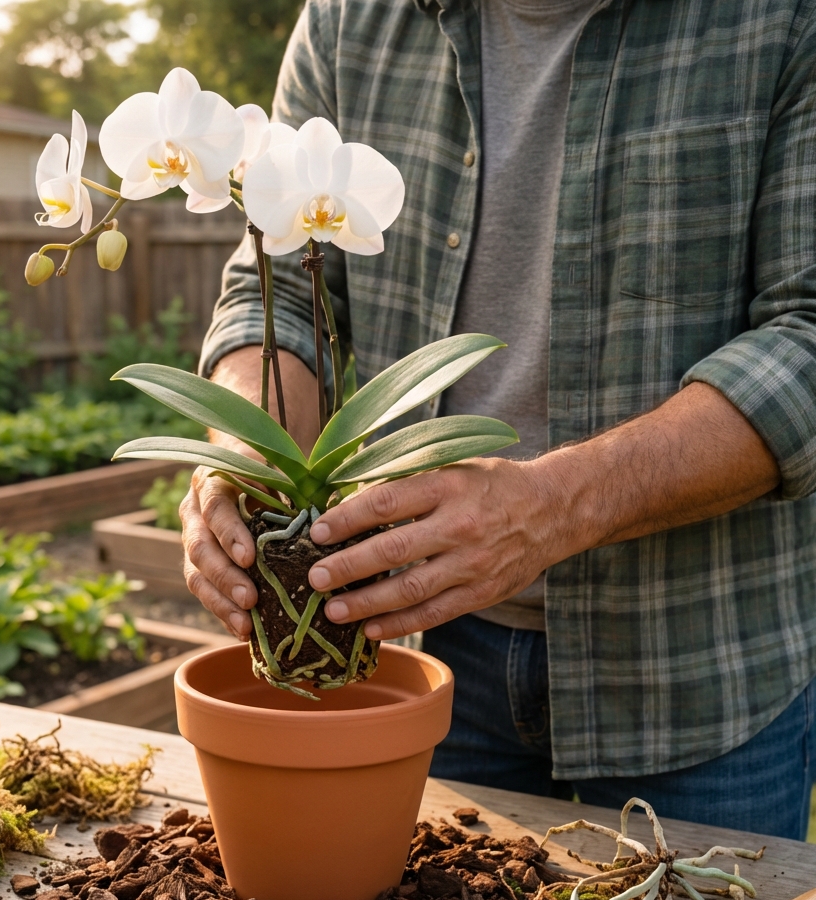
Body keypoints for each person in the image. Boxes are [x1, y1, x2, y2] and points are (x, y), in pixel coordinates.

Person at [181, 0, 816, 841]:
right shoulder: (349, 19)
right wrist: (245, 459)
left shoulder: (781, 20)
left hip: (696, 658)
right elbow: (286, 293)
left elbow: (805, 333)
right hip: (420, 640)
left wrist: (554, 505)